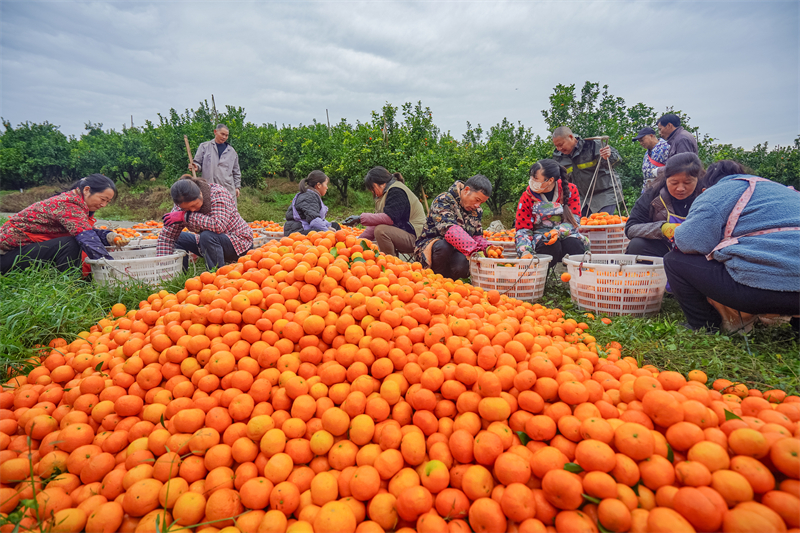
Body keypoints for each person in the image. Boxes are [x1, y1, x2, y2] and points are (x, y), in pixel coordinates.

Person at [664, 161, 800, 332]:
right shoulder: (783, 190)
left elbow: (689, 242)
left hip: (760, 290)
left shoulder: (717, 192)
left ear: (706, 186)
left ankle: (704, 326)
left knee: (674, 260)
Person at [0, 174, 128, 274]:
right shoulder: (68, 204)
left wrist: (109, 236)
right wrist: (113, 268)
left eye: (107, 201)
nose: (103, 205)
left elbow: (87, 230)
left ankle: (78, 278)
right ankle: (72, 285)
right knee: (70, 244)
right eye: (102, 199)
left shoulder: (78, 205)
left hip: (24, 251)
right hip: (6, 256)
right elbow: (87, 238)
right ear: (87, 190)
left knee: (78, 240)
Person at [157, 175, 253, 270]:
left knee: (207, 236)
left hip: (238, 243)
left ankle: (216, 276)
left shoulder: (217, 194)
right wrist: (163, 266)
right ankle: (180, 274)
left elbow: (218, 226)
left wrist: (186, 216)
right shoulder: (180, 206)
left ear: (201, 193)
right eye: (187, 209)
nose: (192, 210)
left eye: (194, 205)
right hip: (209, 243)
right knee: (179, 237)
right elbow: (166, 237)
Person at [625, 153, 704, 258]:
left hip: (699, 252)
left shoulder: (707, 194)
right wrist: (662, 228)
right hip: (665, 251)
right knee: (636, 245)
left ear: (697, 179)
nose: (680, 188)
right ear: (666, 179)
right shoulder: (653, 196)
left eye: (688, 182)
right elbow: (631, 228)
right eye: (674, 183)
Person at [414, 175, 492, 280]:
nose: (477, 205)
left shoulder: (476, 212)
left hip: (459, 250)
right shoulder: (444, 200)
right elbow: (448, 229)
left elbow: (476, 236)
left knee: (462, 264)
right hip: (433, 247)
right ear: (466, 190)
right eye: (477, 200)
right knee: (444, 246)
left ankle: (451, 285)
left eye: (481, 202)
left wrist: (488, 248)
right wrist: (473, 249)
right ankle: (434, 279)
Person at [514, 159, 588, 264]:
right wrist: (525, 251)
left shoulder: (570, 190)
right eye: (531, 178)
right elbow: (523, 229)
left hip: (566, 234)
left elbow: (574, 220)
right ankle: (541, 277)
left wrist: (557, 232)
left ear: (550, 180)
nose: (532, 181)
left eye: (536, 179)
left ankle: (578, 277)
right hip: (541, 239)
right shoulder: (527, 196)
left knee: (574, 244)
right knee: (551, 244)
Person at [343, 167, 426, 257]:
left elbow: (389, 218)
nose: (372, 192)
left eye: (372, 188)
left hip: (417, 237)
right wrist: (359, 241)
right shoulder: (385, 194)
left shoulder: (396, 191)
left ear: (379, 184)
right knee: (376, 236)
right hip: (405, 234)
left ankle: (391, 263)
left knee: (381, 231)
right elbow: (377, 222)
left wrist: (360, 218)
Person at [551, 126, 622, 216]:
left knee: (601, 223)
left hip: (605, 193)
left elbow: (617, 162)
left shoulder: (593, 145)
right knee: (582, 226)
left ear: (571, 137)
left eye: (561, 144)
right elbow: (561, 179)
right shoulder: (559, 157)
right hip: (581, 197)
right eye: (556, 146)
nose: (559, 148)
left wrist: (608, 156)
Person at [189, 124, 242, 201]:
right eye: (222, 134)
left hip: (227, 189)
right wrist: (196, 167)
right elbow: (197, 163)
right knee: (209, 210)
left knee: (226, 211)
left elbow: (236, 171)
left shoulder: (232, 152)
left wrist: (237, 187)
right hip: (208, 188)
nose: (224, 137)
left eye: (226, 135)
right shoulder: (204, 146)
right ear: (215, 132)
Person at [284, 171, 341, 236]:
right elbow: (314, 221)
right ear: (319, 185)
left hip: (304, 227)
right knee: (319, 233)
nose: (327, 187)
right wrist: (327, 231)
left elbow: (318, 219)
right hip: (296, 231)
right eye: (326, 184)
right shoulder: (308, 196)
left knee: (334, 226)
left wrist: (329, 226)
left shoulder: (312, 195)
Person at [655, 113, 698, 179]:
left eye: (660, 129)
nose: (660, 133)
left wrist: (659, 171)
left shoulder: (682, 139)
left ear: (669, 125)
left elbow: (684, 166)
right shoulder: (679, 138)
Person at [633, 126, 669, 191]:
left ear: (651, 136)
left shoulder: (666, 148)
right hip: (649, 190)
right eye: (639, 141)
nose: (641, 143)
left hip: (663, 188)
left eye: (642, 140)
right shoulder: (647, 153)